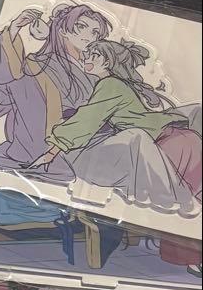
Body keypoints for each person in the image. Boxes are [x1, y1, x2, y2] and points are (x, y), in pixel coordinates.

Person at [31, 38, 202, 217]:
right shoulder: (113, 83)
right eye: (87, 54)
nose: (86, 58)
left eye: (94, 55)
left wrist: (52, 152)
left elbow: (87, 119)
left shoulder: (110, 85)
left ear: (107, 62)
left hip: (169, 142)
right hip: (176, 137)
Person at [0, 1, 113, 176]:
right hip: (50, 140)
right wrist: (14, 29)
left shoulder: (93, 69)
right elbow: (9, 82)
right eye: (81, 27)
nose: (88, 36)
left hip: (88, 138)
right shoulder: (37, 65)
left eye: (95, 32)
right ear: (63, 30)